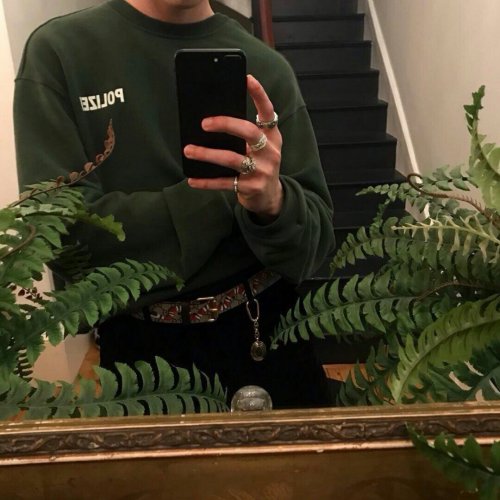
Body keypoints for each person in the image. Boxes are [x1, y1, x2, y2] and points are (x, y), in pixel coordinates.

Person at [14, 0, 335, 409]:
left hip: (267, 336)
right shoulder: (62, 53)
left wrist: (274, 203)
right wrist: (220, 198)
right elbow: (65, 242)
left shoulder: (267, 70)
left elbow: (313, 250)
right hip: (139, 354)